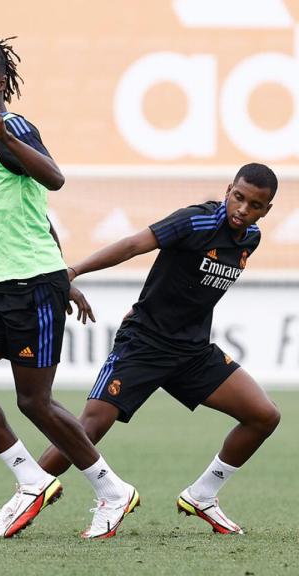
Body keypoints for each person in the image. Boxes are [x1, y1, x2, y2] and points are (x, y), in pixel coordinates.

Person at [0, 37, 139, 540]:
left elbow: (54, 179)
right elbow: (38, 212)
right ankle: (31, 479)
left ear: (3, 85)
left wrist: (5, 134)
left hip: (31, 288)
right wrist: (68, 277)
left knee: (35, 401)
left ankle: (112, 490)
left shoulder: (12, 129)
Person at [36, 164, 281, 534]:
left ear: (267, 209)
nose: (243, 209)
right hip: (145, 343)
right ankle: (29, 490)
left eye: (255, 205)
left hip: (193, 353)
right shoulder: (194, 221)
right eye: (239, 197)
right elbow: (135, 244)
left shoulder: (251, 238)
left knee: (265, 415)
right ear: (228, 189)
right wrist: (73, 271)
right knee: (89, 427)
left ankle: (203, 495)